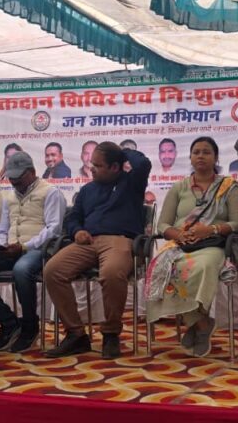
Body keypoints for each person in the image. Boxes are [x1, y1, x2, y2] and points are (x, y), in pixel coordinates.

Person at [43, 142, 151, 358]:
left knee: (111, 273)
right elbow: (73, 218)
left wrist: (120, 152)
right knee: (52, 270)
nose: (92, 169)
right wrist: (77, 231)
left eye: (98, 165)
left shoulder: (131, 183)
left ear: (115, 167)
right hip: (88, 241)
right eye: (92, 164)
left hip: (119, 240)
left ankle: (110, 334)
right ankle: (76, 335)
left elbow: (143, 163)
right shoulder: (87, 190)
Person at [146, 137, 238, 357]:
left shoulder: (229, 187)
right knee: (162, 269)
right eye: (196, 152)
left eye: (206, 152)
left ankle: (195, 323)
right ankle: (200, 323)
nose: (200, 156)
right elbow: (163, 224)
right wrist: (178, 234)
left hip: (213, 245)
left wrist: (210, 229)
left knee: (203, 266)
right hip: (180, 245)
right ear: (191, 157)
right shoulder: (179, 187)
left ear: (216, 157)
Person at [0, 152, 66, 353]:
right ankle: (9, 322)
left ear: (32, 172)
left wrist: (25, 246)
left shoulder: (51, 192)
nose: (14, 181)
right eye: (11, 177)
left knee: (21, 269)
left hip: (39, 249)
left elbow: (54, 229)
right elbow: (3, 228)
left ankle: (30, 325)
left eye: (18, 177)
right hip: (11, 249)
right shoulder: (9, 197)